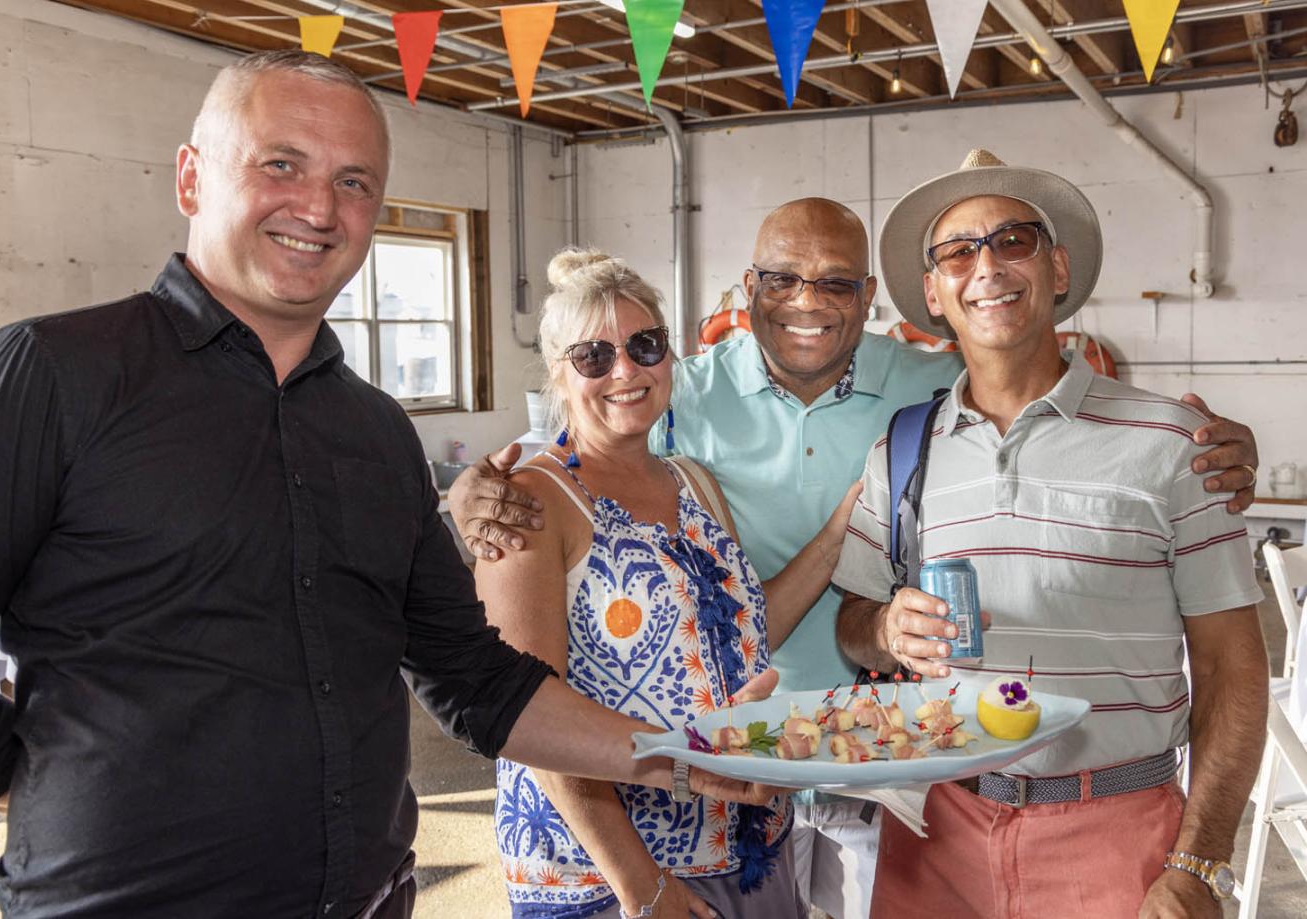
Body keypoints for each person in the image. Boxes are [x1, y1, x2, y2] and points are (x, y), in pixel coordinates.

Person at [0, 51, 781, 918]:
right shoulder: (50, 377)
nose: (318, 205)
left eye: (354, 181)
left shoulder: (376, 432)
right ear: (192, 178)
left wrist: (679, 755)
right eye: (280, 164)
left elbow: (475, 680)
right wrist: (52, 788)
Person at [448, 198, 1262, 918]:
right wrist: (470, 490)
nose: (808, 301)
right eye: (783, 279)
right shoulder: (681, 387)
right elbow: (574, 440)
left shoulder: (926, 385)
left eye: (837, 282)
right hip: (714, 787)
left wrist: (1220, 445)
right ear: (748, 287)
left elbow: (1019, 364)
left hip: (872, 773)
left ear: (874, 298)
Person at [833, 149, 1268, 918]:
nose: (988, 266)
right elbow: (854, 628)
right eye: (958, 251)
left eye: (1014, 240)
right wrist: (886, 627)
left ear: (1057, 269)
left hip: (1117, 835)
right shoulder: (902, 452)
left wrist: (1201, 859)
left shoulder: (1173, 443)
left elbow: (1234, 673)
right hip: (935, 835)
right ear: (933, 293)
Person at [481, 248, 860, 919]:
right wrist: (641, 887)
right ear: (560, 375)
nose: (625, 370)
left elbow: (748, 628)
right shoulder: (529, 504)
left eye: (644, 345)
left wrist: (839, 531)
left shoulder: (693, 481)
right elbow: (527, 717)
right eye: (593, 355)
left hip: (744, 848)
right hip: (610, 877)